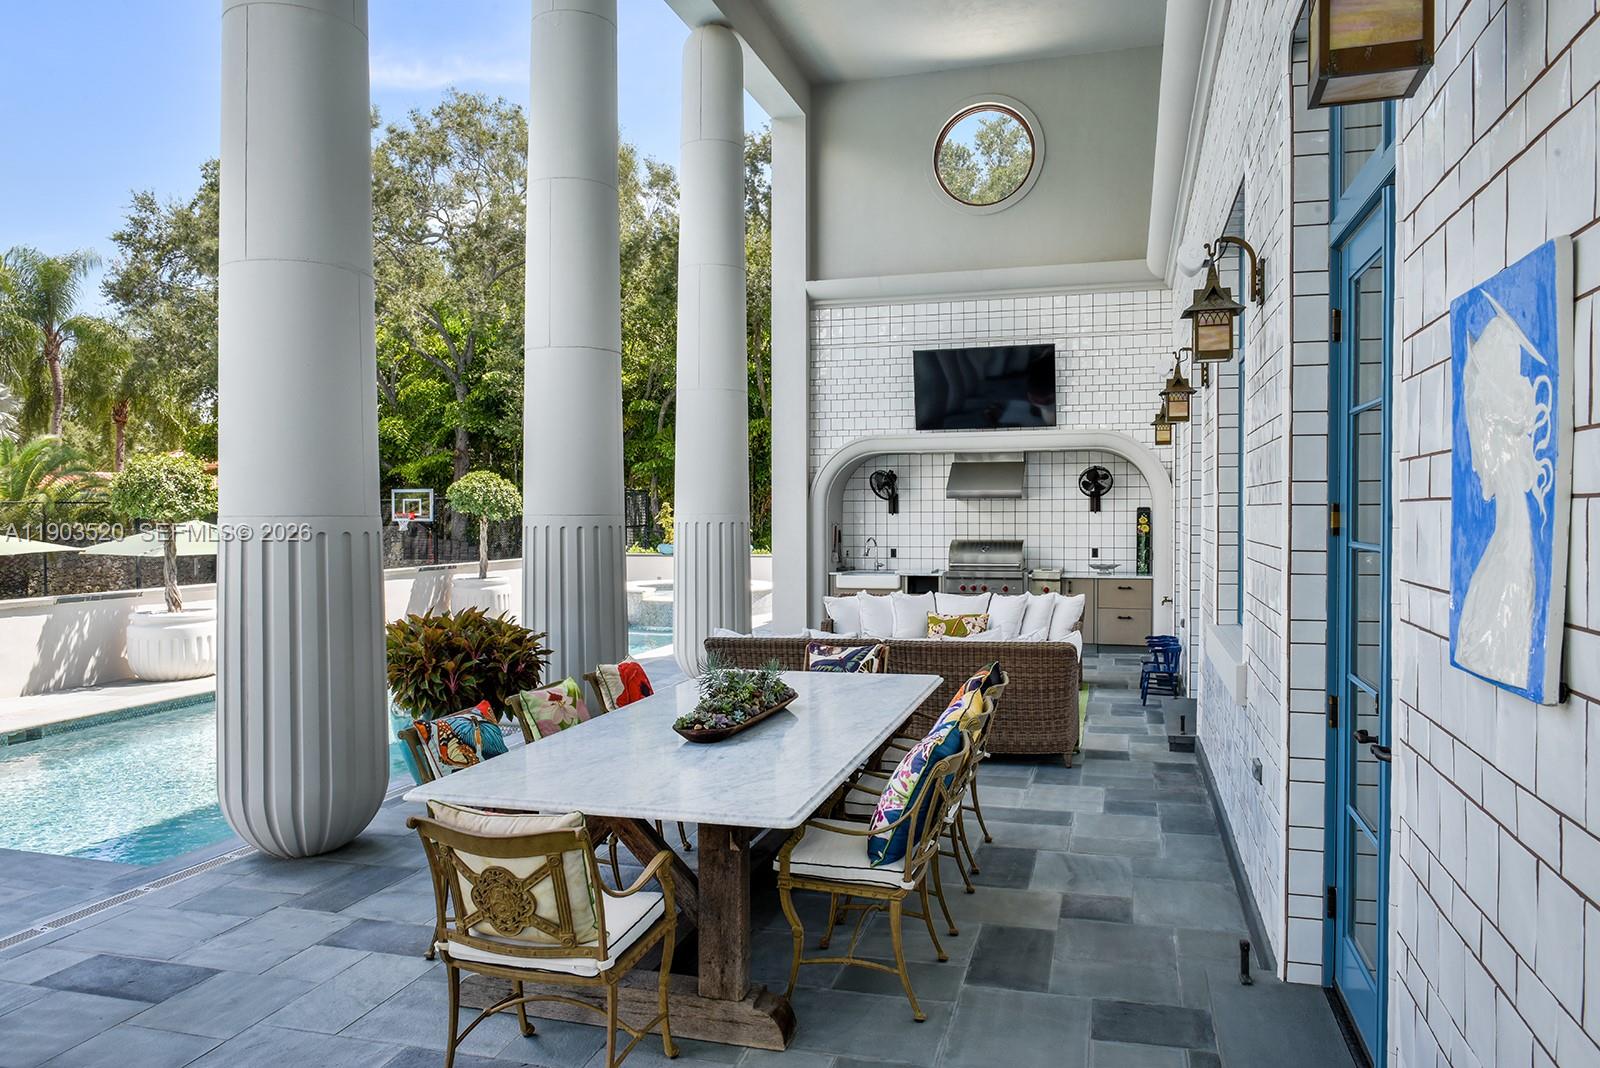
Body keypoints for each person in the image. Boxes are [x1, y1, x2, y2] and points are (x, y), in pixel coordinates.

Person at [1455, 293, 1555, 692]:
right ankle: (1492, 647)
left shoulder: (1492, 412)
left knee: (1512, 543)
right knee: (1513, 544)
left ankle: (1490, 647)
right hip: (1513, 490)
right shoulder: (1498, 419)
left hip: (1513, 493)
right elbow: (1516, 416)